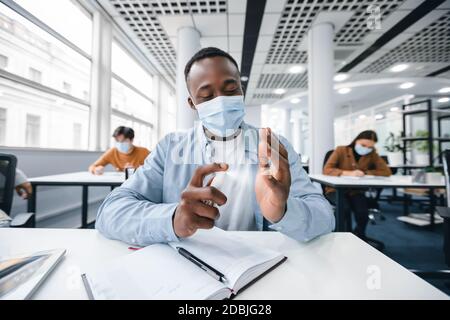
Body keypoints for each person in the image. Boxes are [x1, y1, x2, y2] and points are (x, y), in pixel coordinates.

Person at [96, 47, 335, 246]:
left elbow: (324, 217)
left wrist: (282, 210)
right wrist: (172, 219)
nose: (221, 100)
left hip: (256, 261)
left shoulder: (273, 145)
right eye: (207, 95)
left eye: (231, 90)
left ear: (242, 92)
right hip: (188, 262)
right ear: (192, 104)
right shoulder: (171, 147)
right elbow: (110, 213)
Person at [323, 130, 391, 243]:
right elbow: (327, 170)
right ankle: (339, 238)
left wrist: (365, 173)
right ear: (356, 141)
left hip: (355, 191)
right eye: (363, 145)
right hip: (335, 190)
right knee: (344, 209)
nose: (366, 148)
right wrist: (347, 173)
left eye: (370, 147)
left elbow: (386, 171)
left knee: (362, 212)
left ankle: (359, 236)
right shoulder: (341, 150)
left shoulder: (372, 154)